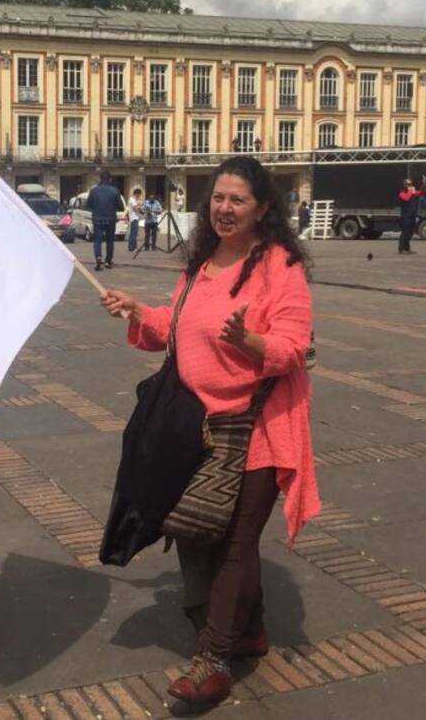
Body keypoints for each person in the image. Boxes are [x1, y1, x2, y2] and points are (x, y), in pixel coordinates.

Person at [99, 155, 316, 705]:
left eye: (237, 199)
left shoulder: (280, 267)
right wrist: (135, 312)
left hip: (258, 427)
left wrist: (248, 341)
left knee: (233, 544)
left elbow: (293, 347)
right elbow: (174, 328)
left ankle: (214, 660)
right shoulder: (202, 262)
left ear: (262, 207)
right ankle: (251, 631)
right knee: (200, 531)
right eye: (218, 198)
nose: (224, 208)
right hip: (196, 425)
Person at [87, 172, 125, 271]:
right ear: (110, 179)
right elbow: (121, 207)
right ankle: (108, 261)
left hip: (97, 218)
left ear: (100, 179)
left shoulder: (94, 191)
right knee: (110, 241)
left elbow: (89, 204)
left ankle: (98, 257)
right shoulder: (115, 191)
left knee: (97, 241)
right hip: (110, 219)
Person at [397, 178, 422, 254]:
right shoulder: (402, 193)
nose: (410, 186)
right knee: (405, 232)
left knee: (410, 233)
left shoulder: (412, 192)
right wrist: (411, 191)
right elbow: (406, 198)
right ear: (404, 185)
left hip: (412, 215)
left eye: (411, 184)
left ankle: (407, 248)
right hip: (406, 216)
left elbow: (421, 193)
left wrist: (423, 186)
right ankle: (401, 248)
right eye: (408, 184)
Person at [127, 187, 143, 252]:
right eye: (139, 195)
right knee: (133, 234)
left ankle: (134, 247)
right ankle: (132, 247)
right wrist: (140, 205)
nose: (139, 197)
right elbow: (136, 208)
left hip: (136, 218)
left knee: (134, 234)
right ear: (136, 194)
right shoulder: (132, 200)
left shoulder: (135, 200)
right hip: (133, 218)